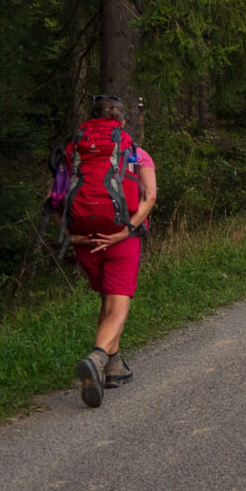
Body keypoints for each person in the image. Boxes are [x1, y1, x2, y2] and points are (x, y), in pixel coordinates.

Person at [65, 95, 158, 407]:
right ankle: (98, 357)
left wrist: (71, 235)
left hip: (84, 239)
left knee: (106, 298)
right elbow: (150, 196)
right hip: (121, 238)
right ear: (122, 121)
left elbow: (56, 198)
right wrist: (126, 230)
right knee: (118, 307)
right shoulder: (136, 153)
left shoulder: (74, 152)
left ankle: (114, 367)